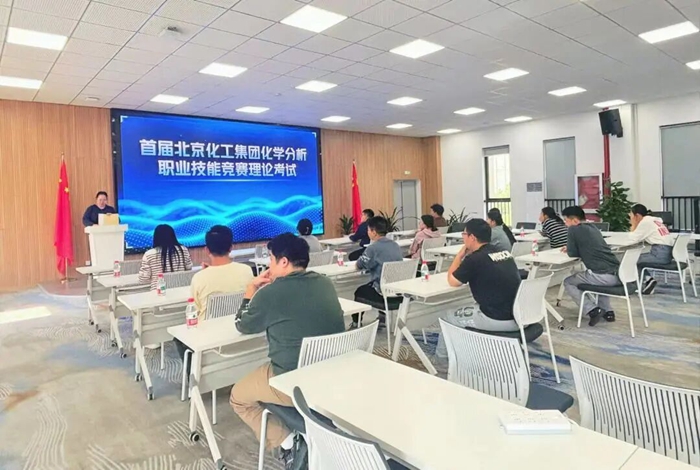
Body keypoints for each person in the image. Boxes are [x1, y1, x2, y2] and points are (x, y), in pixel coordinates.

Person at [230, 233, 344, 469]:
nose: (268, 265)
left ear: (283, 261)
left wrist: (250, 290)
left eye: (271, 259)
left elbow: (242, 325)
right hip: (331, 373)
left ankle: (288, 442)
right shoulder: (325, 283)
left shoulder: (270, 293)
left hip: (292, 381)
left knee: (238, 397)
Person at [174, 225, 253, 372]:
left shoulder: (199, 278)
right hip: (238, 331)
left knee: (178, 338)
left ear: (207, 250)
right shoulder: (247, 270)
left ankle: (192, 377)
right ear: (231, 247)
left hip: (207, 341)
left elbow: (194, 310)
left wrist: (207, 274)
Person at [445, 219, 521, 332]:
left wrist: (459, 256)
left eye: (464, 234)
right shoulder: (504, 252)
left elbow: (452, 281)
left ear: (472, 237)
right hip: (519, 316)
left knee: (448, 316)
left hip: (497, 319)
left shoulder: (474, 259)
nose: (463, 238)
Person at [561, 206, 620, 326]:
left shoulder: (573, 229)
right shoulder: (593, 227)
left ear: (575, 221)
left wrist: (571, 247)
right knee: (597, 273)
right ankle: (608, 311)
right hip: (618, 274)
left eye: (566, 221)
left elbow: (572, 253)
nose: (565, 224)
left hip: (602, 277)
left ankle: (592, 310)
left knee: (568, 282)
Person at [352, 216, 404, 328]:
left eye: (368, 230)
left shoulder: (373, 248)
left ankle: (356, 324)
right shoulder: (395, 245)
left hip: (383, 294)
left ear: (374, 232)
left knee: (359, 292)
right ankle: (382, 317)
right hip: (399, 292)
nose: (367, 232)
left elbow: (360, 265)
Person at [629, 203, 673, 294]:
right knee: (636, 259)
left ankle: (636, 285)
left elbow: (632, 238)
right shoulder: (654, 221)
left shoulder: (645, 222)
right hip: (666, 253)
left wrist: (633, 225)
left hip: (659, 254)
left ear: (637, 216)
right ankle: (649, 281)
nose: (630, 219)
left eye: (631, 217)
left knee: (631, 259)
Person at [137, 224, 192, 290]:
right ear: (173, 236)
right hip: (181, 289)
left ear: (156, 237)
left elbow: (143, 279)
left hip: (159, 292)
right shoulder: (183, 250)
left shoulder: (149, 254)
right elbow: (189, 269)